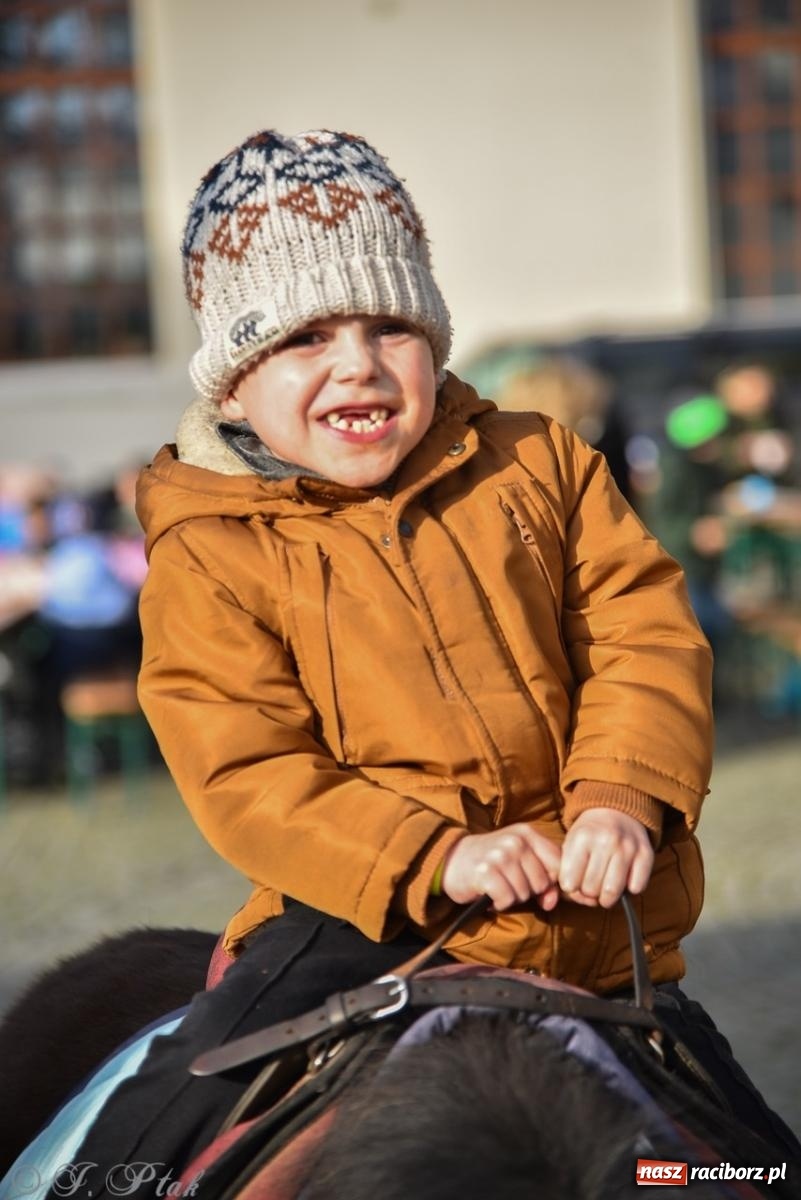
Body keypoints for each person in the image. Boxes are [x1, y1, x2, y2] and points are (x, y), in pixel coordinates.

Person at [45, 129, 800, 1189]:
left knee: (751, 1160)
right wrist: (435, 856)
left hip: (590, 924)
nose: (357, 361)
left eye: (390, 326)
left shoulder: (541, 464)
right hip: (361, 921)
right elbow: (247, 767)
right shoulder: (209, 551)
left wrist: (618, 797)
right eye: (305, 337)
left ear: (434, 345)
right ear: (232, 387)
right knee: (157, 1120)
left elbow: (643, 634)